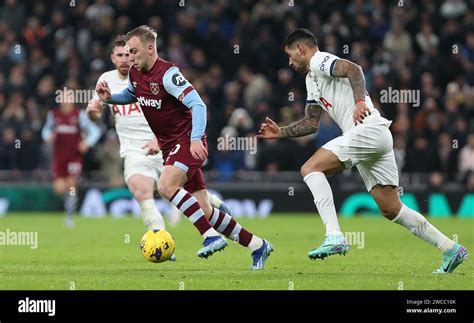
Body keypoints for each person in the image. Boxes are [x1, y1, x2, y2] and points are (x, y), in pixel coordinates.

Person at [257, 28, 468, 274]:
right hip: (375, 136)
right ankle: (451, 248)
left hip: (366, 129)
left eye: (290, 55)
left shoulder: (320, 60)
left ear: (301, 49)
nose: (290, 62)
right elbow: (311, 123)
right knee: (391, 208)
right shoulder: (310, 79)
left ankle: (334, 236)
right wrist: (280, 132)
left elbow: (353, 69)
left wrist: (358, 103)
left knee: (310, 168)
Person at [95, 26, 272, 269]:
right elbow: (131, 94)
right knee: (205, 210)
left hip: (186, 140)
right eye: (127, 52)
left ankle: (210, 236)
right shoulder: (136, 74)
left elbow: (198, 105)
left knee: (166, 186)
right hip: (169, 146)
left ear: (150, 48)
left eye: (134, 51)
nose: (131, 57)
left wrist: (196, 138)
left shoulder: (168, 74)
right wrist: (110, 98)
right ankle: (257, 245)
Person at [87, 36, 231, 235]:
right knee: (142, 191)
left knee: (177, 191)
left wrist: (170, 137)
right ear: (112, 57)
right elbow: (95, 115)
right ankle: (160, 239)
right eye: (120, 55)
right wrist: (94, 109)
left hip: (166, 142)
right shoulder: (108, 79)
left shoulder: (154, 75)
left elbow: (187, 106)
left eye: (129, 54)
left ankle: (213, 205)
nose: (125, 59)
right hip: (133, 150)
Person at [42, 92, 101, 227]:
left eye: (68, 98)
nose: (65, 101)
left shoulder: (79, 115)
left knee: (71, 184)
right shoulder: (54, 115)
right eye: (63, 99)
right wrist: (47, 137)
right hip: (58, 157)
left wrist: (87, 143)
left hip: (74, 157)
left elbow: (95, 131)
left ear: (72, 100)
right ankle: (70, 203)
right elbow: (46, 130)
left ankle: (69, 217)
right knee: (59, 188)